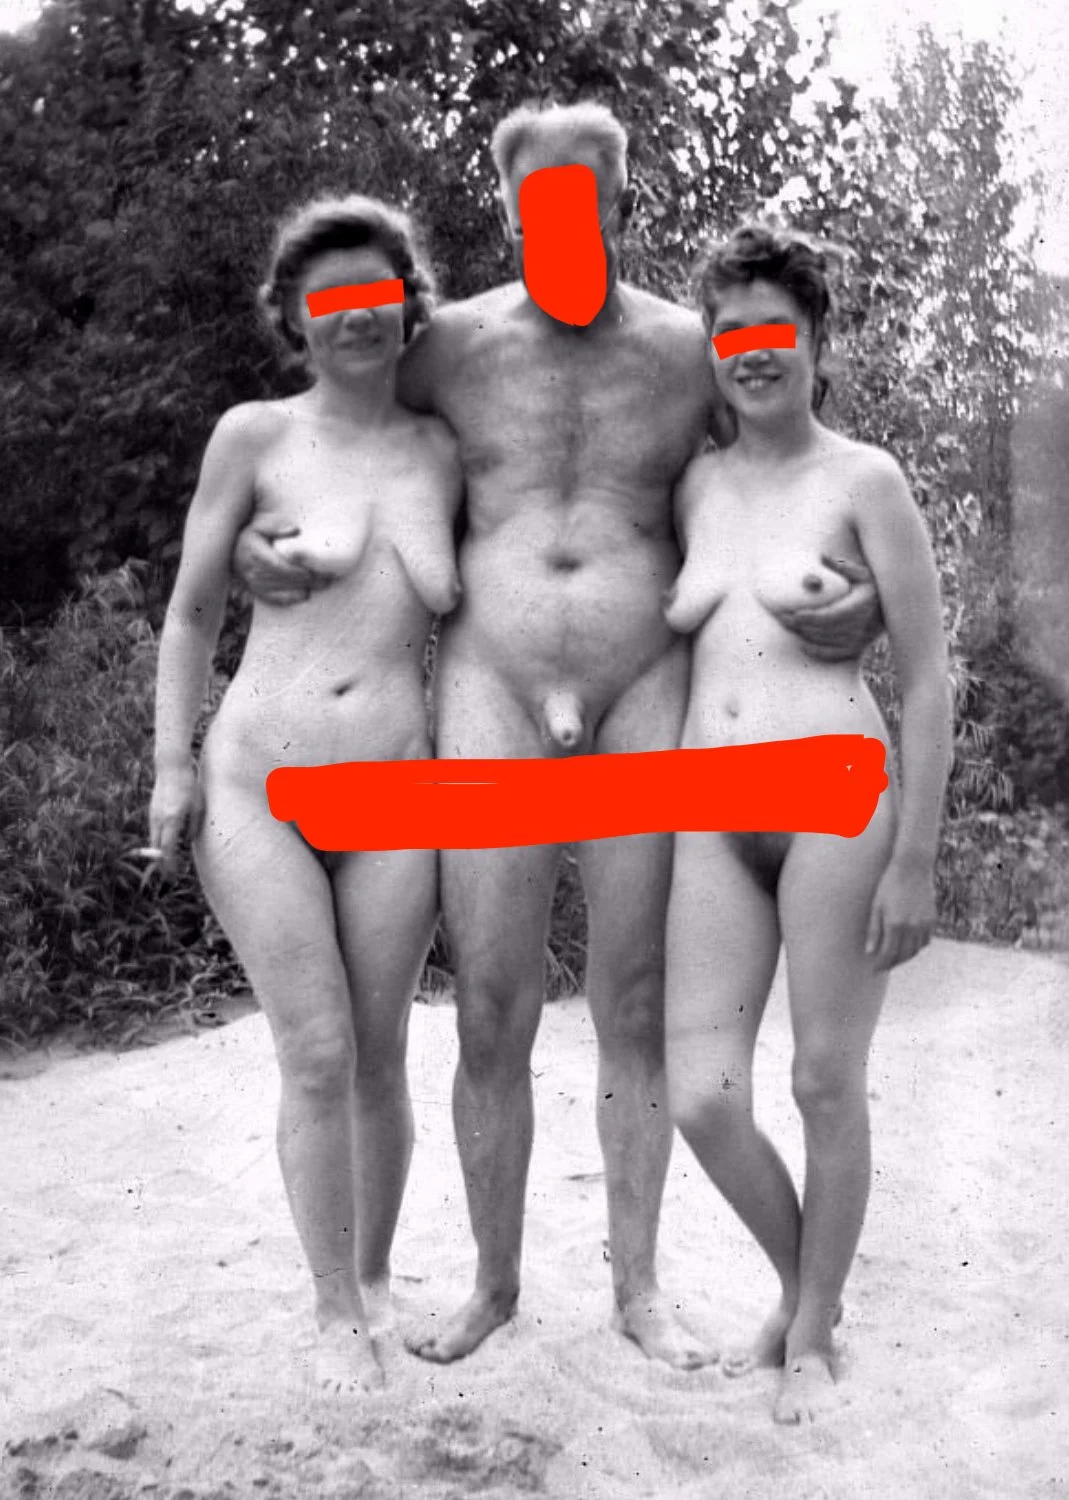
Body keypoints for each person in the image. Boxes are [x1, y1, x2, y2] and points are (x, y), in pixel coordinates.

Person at [235, 102, 884, 1369]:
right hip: (493, 687)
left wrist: (858, 596)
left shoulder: (692, 349)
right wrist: (263, 538)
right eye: (538, 204)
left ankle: (638, 1288)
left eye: (585, 200)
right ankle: (493, 1283)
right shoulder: (451, 348)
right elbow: (333, 427)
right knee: (491, 1004)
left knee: (632, 1000)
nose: (562, 224)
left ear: (622, 205)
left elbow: (799, 463)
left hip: (647, 689)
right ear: (508, 212)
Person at [149, 194, 462, 1392]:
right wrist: (171, 766)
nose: (355, 315)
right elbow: (190, 612)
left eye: (376, 291)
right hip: (258, 783)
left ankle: (373, 1283)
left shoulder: (444, 448)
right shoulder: (254, 436)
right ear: (293, 317)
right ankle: (333, 1313)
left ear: (407, 302)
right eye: (328, 299)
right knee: (318, 1050)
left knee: (382, 1052)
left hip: (398, 790)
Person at [663, 224, 953, 1423]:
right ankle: (800, 1288)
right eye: (729, 331)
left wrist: (915, 860)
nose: (753, 350)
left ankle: (816, 1332)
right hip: (709, 809)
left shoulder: (864, 480)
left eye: (775, 329)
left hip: (839, 799)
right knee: (702, 1095)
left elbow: (929, 676)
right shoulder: (694, 483)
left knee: (827, 1080)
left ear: (817, 341)